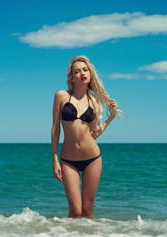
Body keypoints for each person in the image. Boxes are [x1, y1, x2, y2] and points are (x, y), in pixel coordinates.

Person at [51, 56, 122, 218]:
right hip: (68, 161)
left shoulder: (94, 102)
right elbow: (55, 128)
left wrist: (110, 117)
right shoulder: (61, 96)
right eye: (77, 71)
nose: (82, 73)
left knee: (88, 210)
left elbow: (94, 134)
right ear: (72, 77)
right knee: (75, 211)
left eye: (85, 70)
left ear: (90, 74)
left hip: (93, 158)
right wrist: (55, 158)